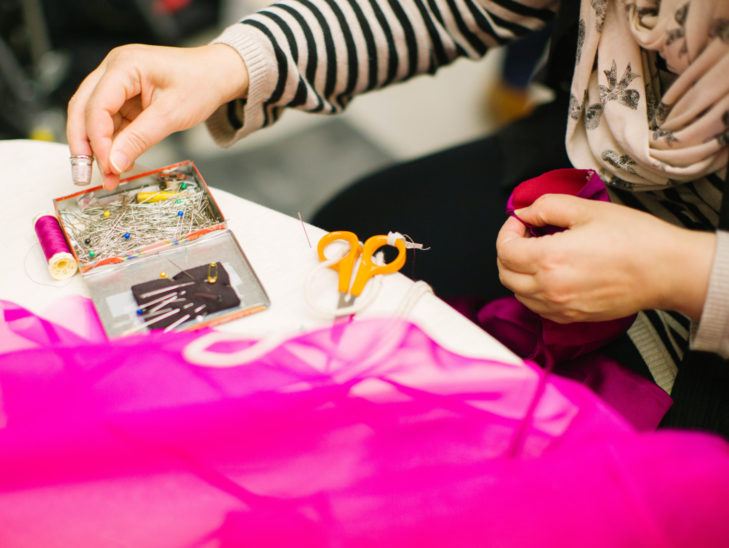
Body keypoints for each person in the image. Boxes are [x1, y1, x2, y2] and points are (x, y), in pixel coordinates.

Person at [66, 0, 729, 436]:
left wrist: (684, 272)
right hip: (580, 172)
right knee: (344, 238)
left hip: (705, 314)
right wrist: (229, 63)